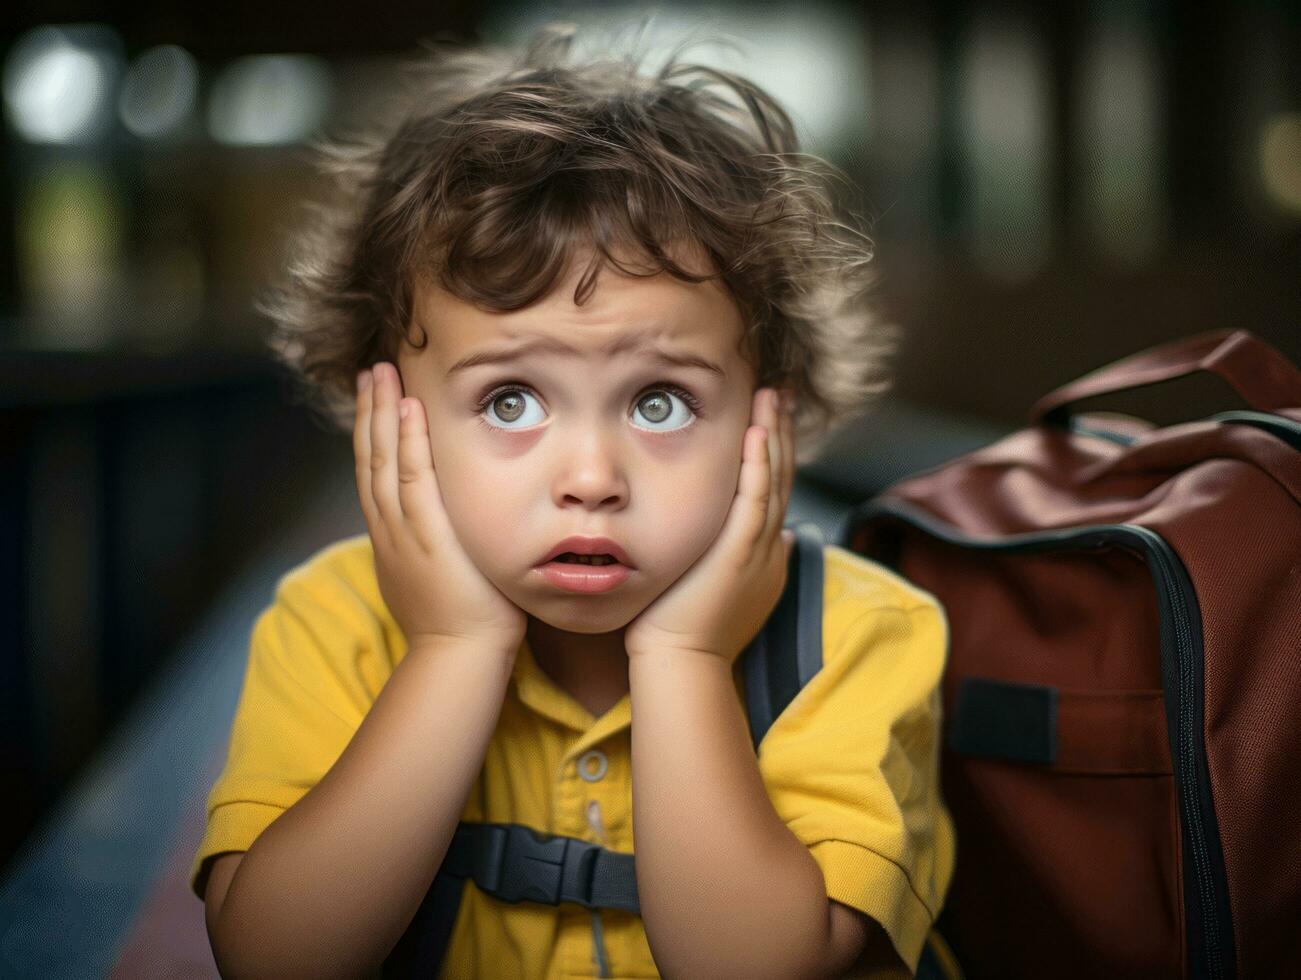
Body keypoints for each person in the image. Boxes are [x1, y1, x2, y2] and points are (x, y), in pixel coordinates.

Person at [189, 19, 957, 979]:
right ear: (386, 417)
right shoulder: (335, 621)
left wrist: (682, 655)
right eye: (509, 401)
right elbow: (275, 959)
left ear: (773, 424)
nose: (590, 478)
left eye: (659, 401)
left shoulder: (859, 634)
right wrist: (452, 649)